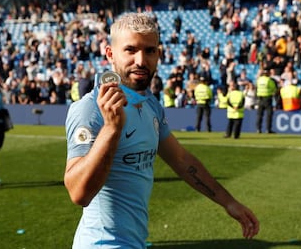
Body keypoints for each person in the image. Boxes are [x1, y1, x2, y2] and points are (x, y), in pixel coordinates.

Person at [64, 13, 259, 249]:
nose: (140, 60)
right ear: (110, 54)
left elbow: (180, 159)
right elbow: (78, 194)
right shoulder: (89, 108)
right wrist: (112, 128)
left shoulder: (149, 103)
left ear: (158, 54)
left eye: (149, 51)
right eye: (130, 50)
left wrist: (229, 202)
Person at [256, 69, 277, 133]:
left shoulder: (259, 80)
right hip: (267, 98)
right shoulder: (269, 80)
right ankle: (268, 129)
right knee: (269, 115)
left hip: (260, 98)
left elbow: (256, 87)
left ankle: (258, 129)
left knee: (259, 115)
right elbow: (274, 88)